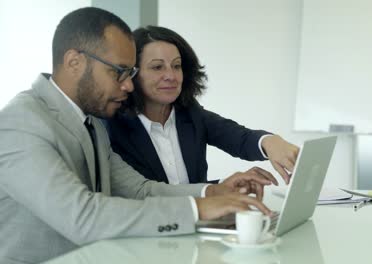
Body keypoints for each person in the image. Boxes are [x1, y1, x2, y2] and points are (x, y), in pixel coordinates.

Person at [0, 7, 276, 264]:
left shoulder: (91, 124)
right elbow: (84, 217)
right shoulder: (20, 123)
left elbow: (142, 190)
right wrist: (198, 210)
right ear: (74, 62)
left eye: (130, 73)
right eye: (119, 72)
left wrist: (212, 193)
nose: (130, 85)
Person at [106, 26, 299, 187]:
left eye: (177, 66)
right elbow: (143, 196)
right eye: (157, 67)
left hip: (197, 228)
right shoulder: (111, 127)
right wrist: (219, 189)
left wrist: (270, 142)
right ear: (133, 74)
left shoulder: (190, 113)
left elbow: (239, 138)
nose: (171, 76)